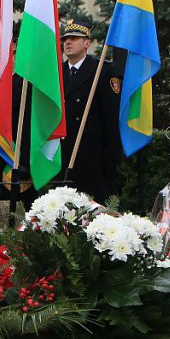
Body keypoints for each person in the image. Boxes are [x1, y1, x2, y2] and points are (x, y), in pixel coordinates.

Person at [59, 22, 122, 204]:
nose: (68, 43)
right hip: (63, 149)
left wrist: (112, 152)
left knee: (95, 204)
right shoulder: (57, 72)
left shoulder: (102, 70)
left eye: (74, 38)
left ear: (87, 43)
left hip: (92, 151)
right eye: (65, 39)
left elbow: (110, 114)